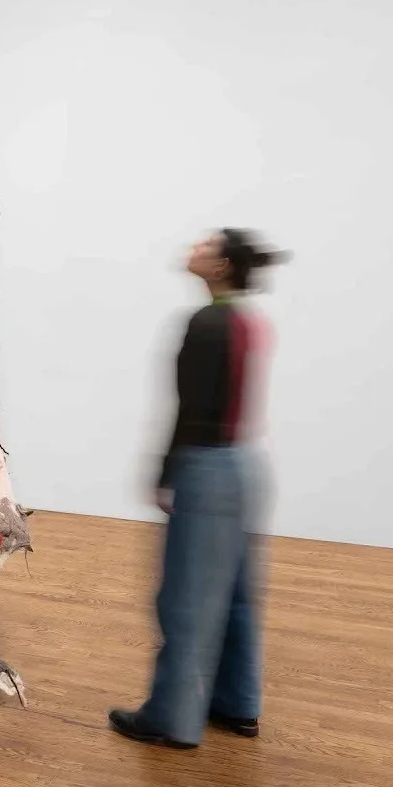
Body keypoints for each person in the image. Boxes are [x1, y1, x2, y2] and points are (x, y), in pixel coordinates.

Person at [109, 228, 288, 749]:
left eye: (205, 247)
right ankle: (236, 704)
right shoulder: (248, 321)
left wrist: (166, 473)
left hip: (208, 469)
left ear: (222, 265)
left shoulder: (207, 322)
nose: (194, 249)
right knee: (235, 593)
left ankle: (172, 719)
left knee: (187, 600)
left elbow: (192, 410)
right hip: (247, 466)